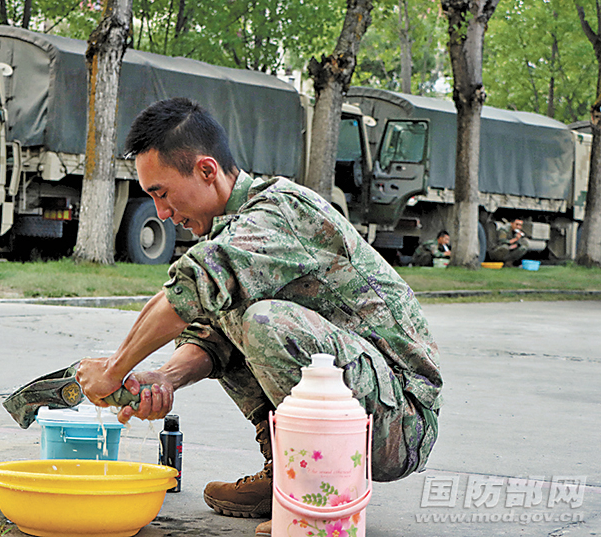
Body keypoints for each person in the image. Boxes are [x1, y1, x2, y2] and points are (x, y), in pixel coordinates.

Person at [76, 98, 442, 536]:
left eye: (162, 192)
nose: (162, 213)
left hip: (400, 418)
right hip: (365, 403)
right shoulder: (231, 233)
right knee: (229, 312)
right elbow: (210, 335)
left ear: (207, 171)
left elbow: (189, 289)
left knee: (265, 322)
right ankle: (286, 475)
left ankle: (315, 498)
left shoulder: (278, 213)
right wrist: (164, 378)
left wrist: (115, 371)